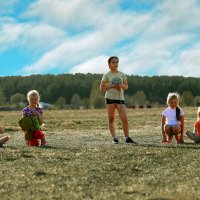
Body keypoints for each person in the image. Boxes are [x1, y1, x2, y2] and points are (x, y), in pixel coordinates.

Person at [100, 56, 136, 144]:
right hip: (109, 99)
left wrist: (121, 86)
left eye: (117, 62)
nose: (116, 64)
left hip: (120, 99)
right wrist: (112, 85)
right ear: (109, 64)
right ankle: (114, 138)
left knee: (124, 119)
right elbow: (102, 88)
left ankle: (127, 138)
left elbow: (126, 86)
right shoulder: (106, 75)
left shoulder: (122, 74)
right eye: (113, 62)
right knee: (111, 119)